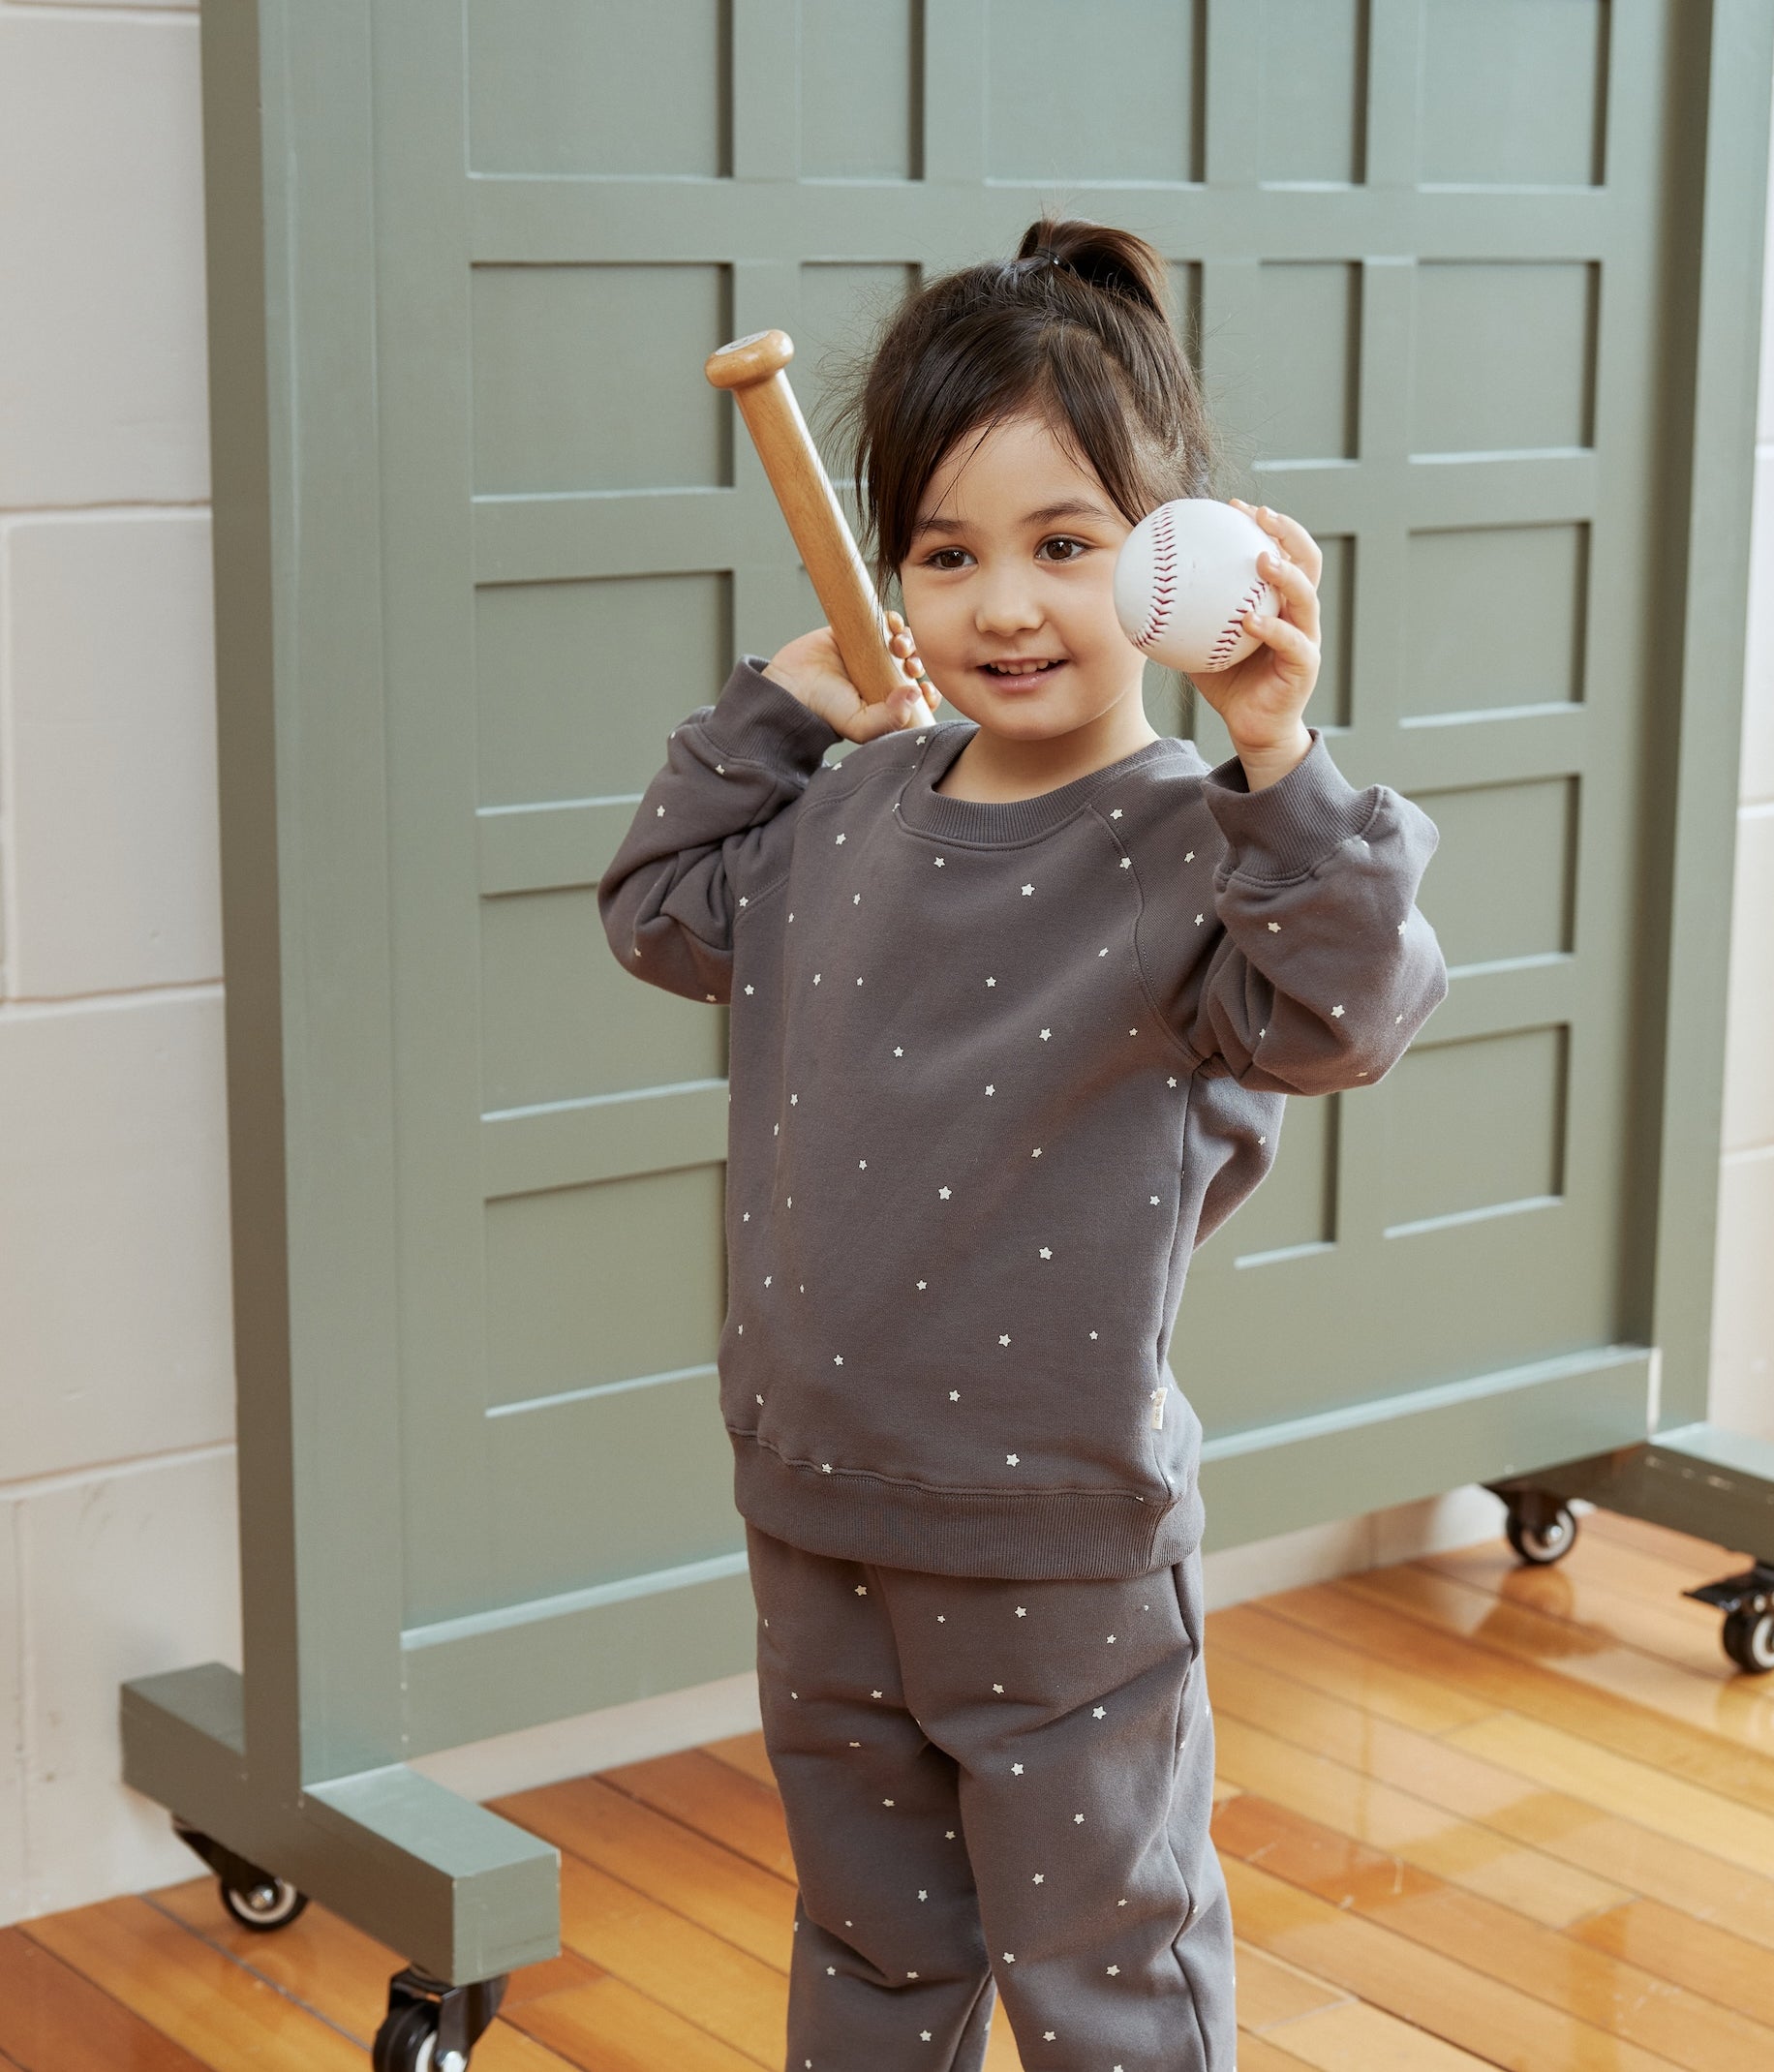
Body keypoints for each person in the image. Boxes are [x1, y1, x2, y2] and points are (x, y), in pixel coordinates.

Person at [597, 216, 1447, 2072]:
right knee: (873, 1949)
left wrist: (1278, 749)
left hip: (1059, 1544)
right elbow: (658, 911)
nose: (1001, 606)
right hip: (815, 1507)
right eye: (948, 552)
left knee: (1107, 1977)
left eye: (1066, 548)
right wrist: (778, 708)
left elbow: (1356, 1012)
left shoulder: (1209, 849)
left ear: (1166, 559)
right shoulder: (845, 815)